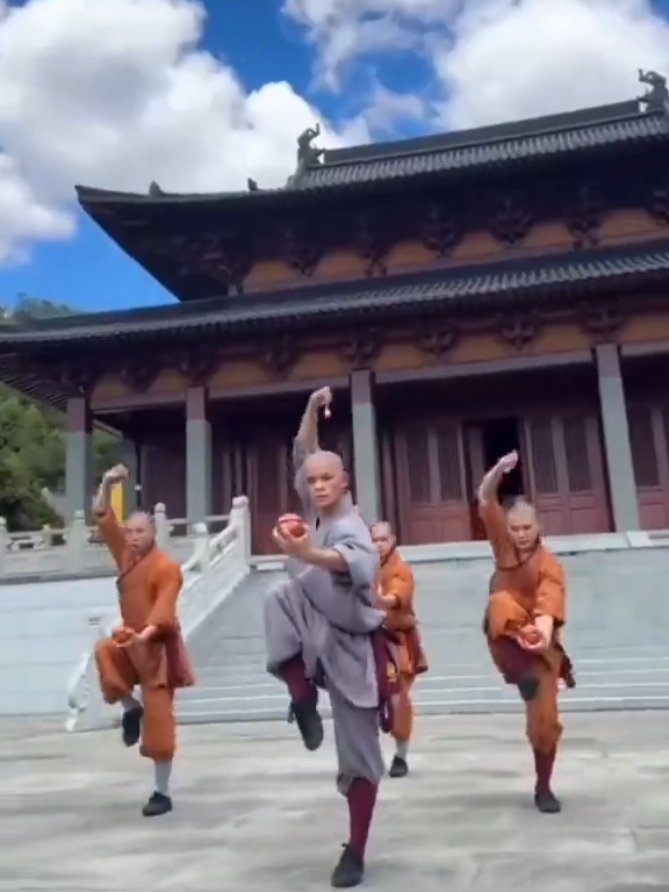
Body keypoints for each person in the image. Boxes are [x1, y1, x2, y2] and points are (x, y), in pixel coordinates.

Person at [264, 386, 398, 888]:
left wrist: (307, 555)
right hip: (313, 619)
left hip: (354, 644)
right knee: (277, 595)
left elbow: (354, 562)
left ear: (345, 483)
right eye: (313, 480)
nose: (318, 485)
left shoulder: (351, 524)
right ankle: (301, 696)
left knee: (359, 756)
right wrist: (310, 408)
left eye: (327, 479)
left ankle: (356, 849)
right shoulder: (315, 508)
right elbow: (304, 450)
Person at [92, 465, 194, 817]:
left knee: (159, 726)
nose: (133, 537)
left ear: (153, 533)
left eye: (140, 531)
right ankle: (129, 707)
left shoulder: (166, 567)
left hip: (156, 650)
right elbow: (102, 515)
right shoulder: (125, 556)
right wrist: (107, 483)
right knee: (104, 650)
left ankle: (162, 792)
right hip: (130, 640)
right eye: (130, 531)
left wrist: (144, 636)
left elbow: (164, 610)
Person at [478, 450, 575, 814]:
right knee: (500, 602)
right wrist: (498, 471)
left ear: (539, 528)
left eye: (526, 528)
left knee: (545, 725)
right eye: (514, 528)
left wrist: (542, 633)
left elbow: (550, 601)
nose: (519, 535)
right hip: (507, 638)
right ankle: (520, 665)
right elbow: (486, 497)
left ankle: (543, 785)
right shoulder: (503, 549)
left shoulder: (550, 565)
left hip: (540, 649)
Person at [370, 521, 428, 778]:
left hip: (397, 641)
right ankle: (367, 755)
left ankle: (401, 756)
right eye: (374, 540)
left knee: (398, 700)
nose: (378, 545)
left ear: (392, 540)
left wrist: (383, 600)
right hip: (366, 642)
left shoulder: (400, 568)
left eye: (383, 539)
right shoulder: (362, 568)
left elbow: (399, 593)